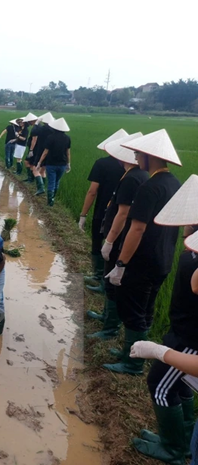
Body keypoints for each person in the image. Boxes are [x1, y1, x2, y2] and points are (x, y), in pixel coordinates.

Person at [125, 182, 198, 463]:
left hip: (190, 339)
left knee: (160, 385)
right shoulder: (191, 247)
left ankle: (174, 448)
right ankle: (183, 439)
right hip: (182, 330)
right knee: (180, 386)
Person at [104, 129, 182, 375]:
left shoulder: (150, 188)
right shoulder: (174, 183)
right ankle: (134, 350)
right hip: (164, 258)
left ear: (151, 157)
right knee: (146, 308)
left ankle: (133, 363)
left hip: (143, 260)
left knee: (134, 309)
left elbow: (136, 229)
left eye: (139, 154)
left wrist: (121, 264)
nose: (136, 158)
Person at [86, 133, 147, 339]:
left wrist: (110, 240)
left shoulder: (132, 178)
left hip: (119, 238)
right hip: (119, 235)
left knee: (112, 284)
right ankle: (106, 318)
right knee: (108, 279)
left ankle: (109, 329)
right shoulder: (136, 176)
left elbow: (123, 213)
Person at [80, 129, 128, 294]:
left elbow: (92, 191)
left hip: (103, 212)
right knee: (114, 248)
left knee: (97, 242)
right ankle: (106, 280)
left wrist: (83, 215)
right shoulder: (132, 169)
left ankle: (98, 275)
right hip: (124, 216)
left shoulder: (101, 164)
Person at [36, 117, 71, 207]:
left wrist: (40, 162)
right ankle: (52, 198)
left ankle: (50, 202)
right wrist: (68, 163)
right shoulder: (67, 138)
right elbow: (68, 152)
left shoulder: (50, 137)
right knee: (57, 181)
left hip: (51, 163)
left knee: (51, 182)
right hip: (62, 164)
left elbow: (45, 151)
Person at [30, 112, 55, 188]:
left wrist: (37, 123)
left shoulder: (43, 129)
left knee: (35, 169)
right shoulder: (53, 130)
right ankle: (42, 186)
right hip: (50, 152)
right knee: (43, 170)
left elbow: (33, 132)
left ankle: (40, 188)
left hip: (41, 150)